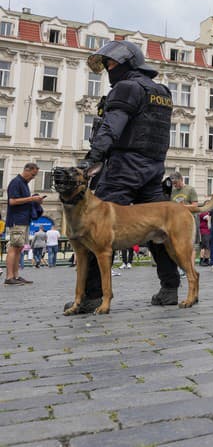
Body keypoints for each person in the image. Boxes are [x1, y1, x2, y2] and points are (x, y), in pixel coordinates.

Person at [63, 40, 177, 312]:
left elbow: (111, 129)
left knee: (95, 229)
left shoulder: (126, 88)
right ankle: (170, 287)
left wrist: (91, 160)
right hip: (153, 168)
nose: (107, 69)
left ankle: (91, 296)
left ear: (128, 63)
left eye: (111, 64)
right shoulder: (161, 92)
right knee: (157, 228)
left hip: (124, 168)